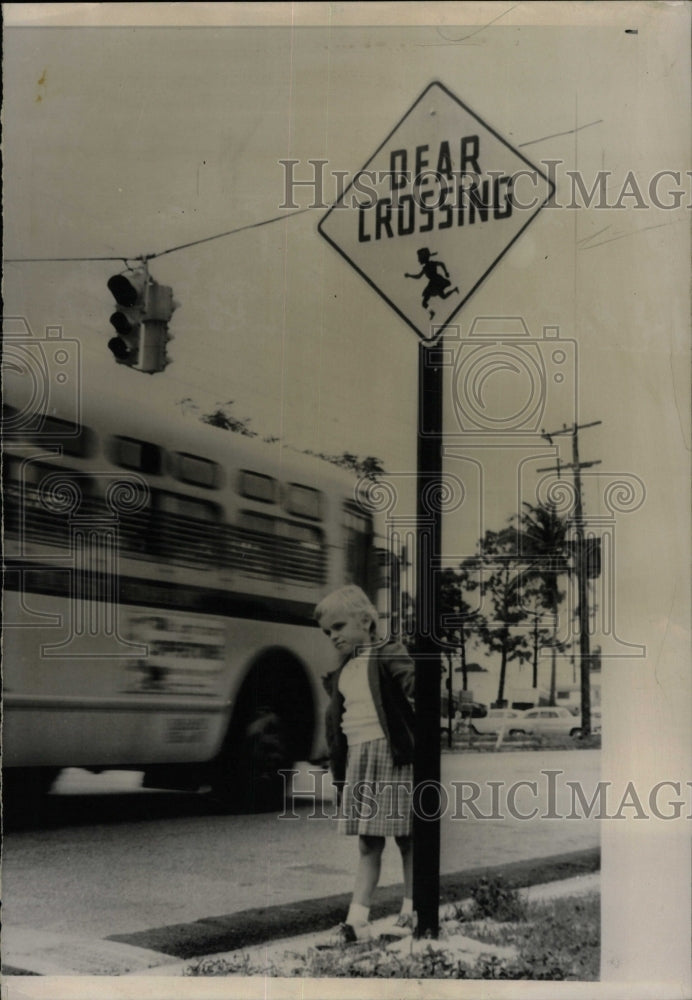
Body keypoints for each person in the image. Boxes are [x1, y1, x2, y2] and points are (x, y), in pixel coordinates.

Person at [316, 585, 415, 944]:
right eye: (328, 632)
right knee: (368, 844)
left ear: (366, 621)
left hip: (392, 754)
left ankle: (411, 913)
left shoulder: (388, 652)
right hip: (359, 757)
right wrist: (339, 774)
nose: (334, 636)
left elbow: (413, 683)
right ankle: (357, 922)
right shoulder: (345, 669)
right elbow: (337, 727)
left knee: (407, 838)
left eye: (339, 626)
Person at [404, 247, 459, 319]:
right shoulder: (425, 268)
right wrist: (409, 275)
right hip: (433, 284)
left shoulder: (432, 264)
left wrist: (446, 272)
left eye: (419, 258)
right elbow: (418, 276)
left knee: (443, 297)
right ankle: (432, 312)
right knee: (424, 303)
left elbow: (441, 264)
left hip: (437, 282)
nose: (418, 260)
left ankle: (454, 290)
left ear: (423, 258)